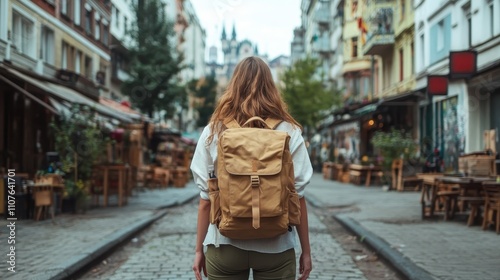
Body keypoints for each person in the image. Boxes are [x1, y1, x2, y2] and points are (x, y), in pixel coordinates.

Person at [190, 56, 313, 280]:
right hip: (276, 246)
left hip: (224, 245)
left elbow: (205, 201)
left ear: (233, 85)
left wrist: (199, 250)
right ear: (271, 87)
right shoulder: (289, 131)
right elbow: (299, 196)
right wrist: (306, 251)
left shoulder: (214, 131)